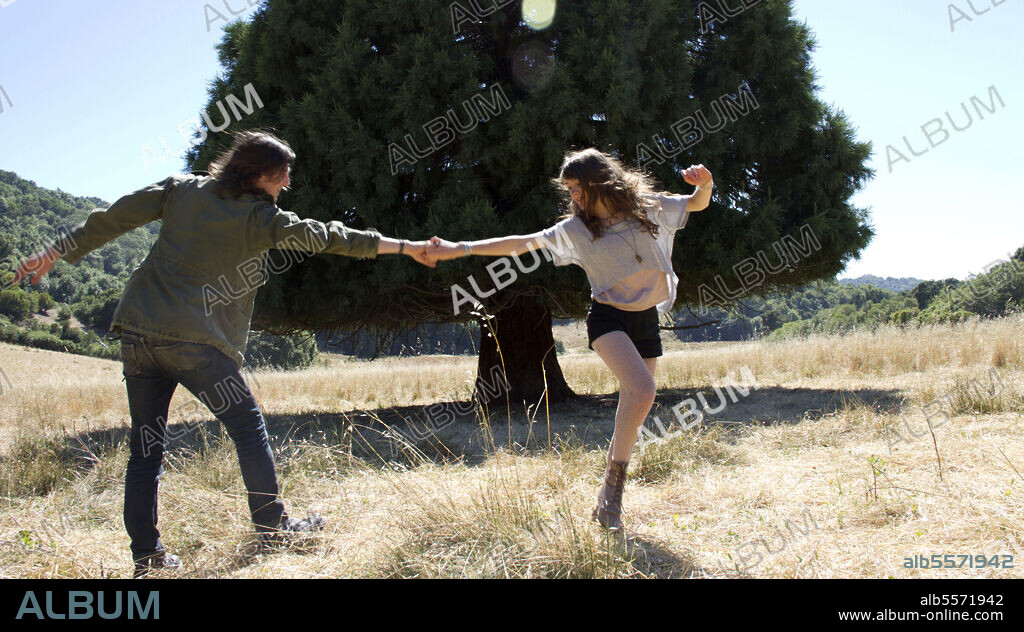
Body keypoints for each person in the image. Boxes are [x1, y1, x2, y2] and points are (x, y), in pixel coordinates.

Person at [12, 129, 437, 576]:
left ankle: (147, 557)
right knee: (248, 428)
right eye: (282, 174)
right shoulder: (260, 219)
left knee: (146, 447)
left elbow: (114, 216)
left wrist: (56, 250)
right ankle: (273, 527)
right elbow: (331, 236)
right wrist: (408, 248)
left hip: (138, 331)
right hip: (196, 343)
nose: (287, 184)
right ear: (257, 175)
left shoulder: (182, 189)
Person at [426, 147, 713, 531]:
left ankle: (609, 497)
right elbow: (521, 243)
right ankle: (612, 494)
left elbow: (697, 203)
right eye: (569, 190)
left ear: (598, 181)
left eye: (577, 187)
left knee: (633, 401)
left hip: (645, 318)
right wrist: (459, 249)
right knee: (644, 391)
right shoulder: (577, 229)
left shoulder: (648, 207)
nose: (573, 196)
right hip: (608, 317)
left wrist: (705, 182)